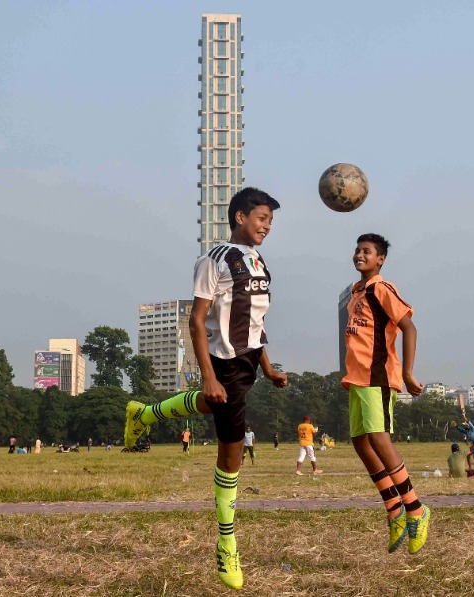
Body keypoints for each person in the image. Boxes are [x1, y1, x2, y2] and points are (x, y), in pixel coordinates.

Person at [123, 188, 287, 590]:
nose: (267, 226)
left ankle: (143, 414)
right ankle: (226, 544)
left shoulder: (259, 260)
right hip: (224, 363)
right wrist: (209, 374)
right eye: (261, 218)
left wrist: (267, 367)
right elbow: (196, 322)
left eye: (270, 220)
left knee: (212, 408)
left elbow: (257, 322)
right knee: (231, 453)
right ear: (239, 216)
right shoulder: (214, 260)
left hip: (248, 361)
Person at [342, 233, 430, 555]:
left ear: (380, 259)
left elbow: (409, 327)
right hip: (356, 378)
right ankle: (394, 509)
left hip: (377, 376)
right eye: (357, 250)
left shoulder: (382, 288)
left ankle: (416, 509)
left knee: (379, 438)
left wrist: (407, 373)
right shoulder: (356, 292)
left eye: (367, 251)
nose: (359, 254)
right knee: (360, 441)